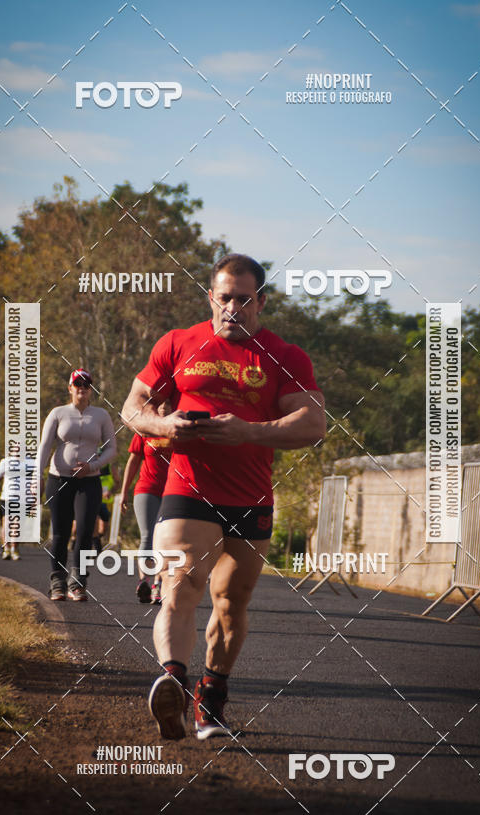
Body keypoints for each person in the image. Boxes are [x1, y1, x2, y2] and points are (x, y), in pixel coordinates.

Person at [121, 253, 325, 740]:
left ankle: (210, 700)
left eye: (244, 298)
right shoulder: (178, 343)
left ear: (261, 302)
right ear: (211, 297)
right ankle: (172, 678)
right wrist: (164, 424)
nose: (233, 306)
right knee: (180, 582)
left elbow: (313, 423)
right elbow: (134, 407)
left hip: (251, 499)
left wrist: (247, 432)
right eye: (225, 297)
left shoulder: (284, 355)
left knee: (232, 604)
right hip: (188, 487)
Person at [38, 369, 117, 601]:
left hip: (89, 481)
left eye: (86, 384)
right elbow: (44, 446)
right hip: (58, 479)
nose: (82, 387)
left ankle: (78, 581)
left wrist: (92, 467)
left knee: (84, 531)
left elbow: (112, 449)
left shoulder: (101, 415)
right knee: (60, 534)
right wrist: (37, 478)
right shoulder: (58, 413)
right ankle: (57, 582)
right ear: (70, 387)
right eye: (77, 384)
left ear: (91, 389)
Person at [120, 402, 172, 605]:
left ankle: (158, 585)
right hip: (146, 489)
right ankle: (144, 581)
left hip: (172, 492)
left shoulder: (178, 430)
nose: (165, 407)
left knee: (165, 540)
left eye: (169, 404)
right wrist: (124, 492)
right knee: (148, 536)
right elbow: (133, 461)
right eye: (161, 404)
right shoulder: (145, 430)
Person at [0, 456, 27, 560]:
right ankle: (6, 549)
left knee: (17, 524)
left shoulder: (29, 462)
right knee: (7, 523)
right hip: (7, 498)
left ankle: (14, 549)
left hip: (22, 499)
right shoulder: (5, 462)